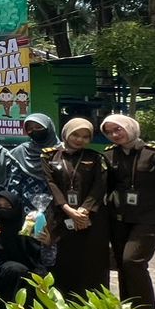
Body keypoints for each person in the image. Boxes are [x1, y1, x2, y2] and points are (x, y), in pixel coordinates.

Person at [101, 112, 155, 309]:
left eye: (118, 129)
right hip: (120, 218)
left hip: (150, 218)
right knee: (122, 263)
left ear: (130, 127)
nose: (115, 135)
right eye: (109, 132)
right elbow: (106, 186)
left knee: (133, 261)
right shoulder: (109, 155)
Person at [42, 117, 111, 298]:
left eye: (85, 136)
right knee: (65, 258)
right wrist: (68, 209)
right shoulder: (49, 156)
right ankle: (63, 301)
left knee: (92, 260)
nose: (80, 139)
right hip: (62, 216)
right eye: (75, 135)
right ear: (66, 134)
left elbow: (100, 185)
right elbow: (51, 184)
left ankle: (94, 302)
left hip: (90, 218)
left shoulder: (96, 158)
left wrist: (84, 211)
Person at [5, 114, 61, 214]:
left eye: (38, 127)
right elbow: (13, 182)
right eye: (30, 129)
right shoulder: (21, 151)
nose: (34, 131)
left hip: (58, 204)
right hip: (27, 206)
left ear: (49, 127)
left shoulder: (62, 151)